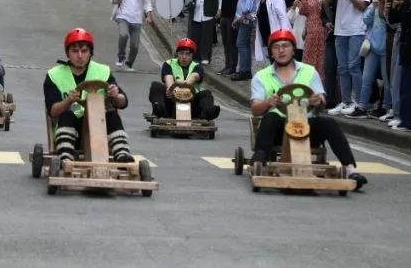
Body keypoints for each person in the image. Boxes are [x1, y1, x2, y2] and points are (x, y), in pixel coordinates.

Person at [250, 29, 368, 190]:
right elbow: (255, 109)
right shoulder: (261, 76)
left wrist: (316, 101)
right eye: (276, 47)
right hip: (278, 129)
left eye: (285, 46)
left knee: (329, 122)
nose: (281, 51)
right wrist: (268, 102)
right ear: (271, 51)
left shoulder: (309, 72)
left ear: (293, 49)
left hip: (306, 127)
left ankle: (350, 169)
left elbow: (322, 101)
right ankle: (259, 160)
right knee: (270, 118)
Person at [43, 28, 134, 163]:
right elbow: (53, 111)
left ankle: (122, 155)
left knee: (112, 115)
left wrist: (115, 95)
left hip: (99, 130)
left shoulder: (103, 71)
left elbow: (123, 102)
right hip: (70, 131)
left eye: (84, 51)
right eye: (75, 51)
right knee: (67, 115)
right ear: (67, 53)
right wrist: (68, 101)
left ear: (90, 53)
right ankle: (66, 158)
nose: (80, 56)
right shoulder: (54, 75)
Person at [148, 38, 221, 120]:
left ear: (192, 55)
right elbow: (168, 77)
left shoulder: (197, 66)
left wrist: (184, 83)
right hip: (172, 101)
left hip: (191, 101)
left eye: (187, 54)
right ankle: (159, 109)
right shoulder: (169, 64)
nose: (184, 57)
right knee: (156, 86)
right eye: (181, 53)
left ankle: (208, 112)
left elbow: (195, 76)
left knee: (206, 93)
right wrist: (170, 88)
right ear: (177, 54)